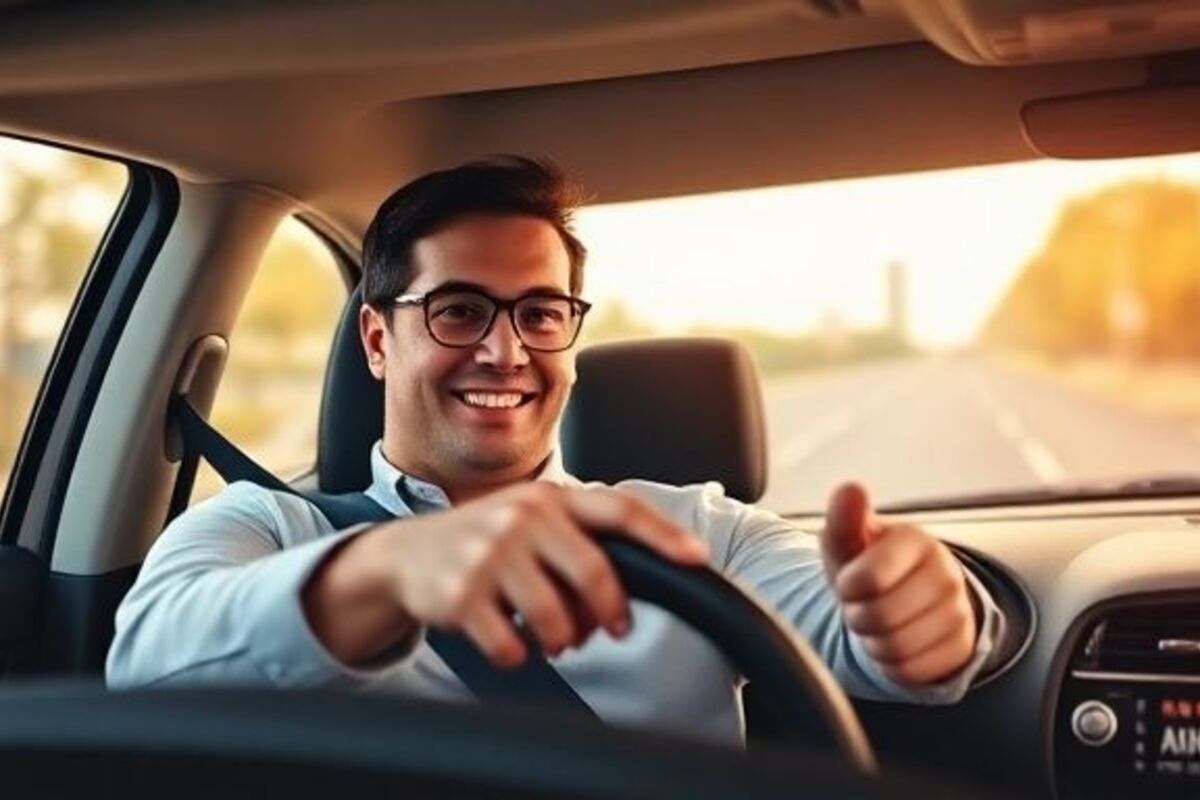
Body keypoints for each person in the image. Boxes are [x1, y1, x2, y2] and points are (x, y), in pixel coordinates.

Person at [107, 155, 1004, 743]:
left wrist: (928, 617)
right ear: (378, 341)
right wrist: (387, 570)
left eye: (541, 314)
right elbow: (144, 664)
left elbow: (851, 632)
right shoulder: (268, 528)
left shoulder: (700, 531)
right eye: (460, 310)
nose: (506, 352)